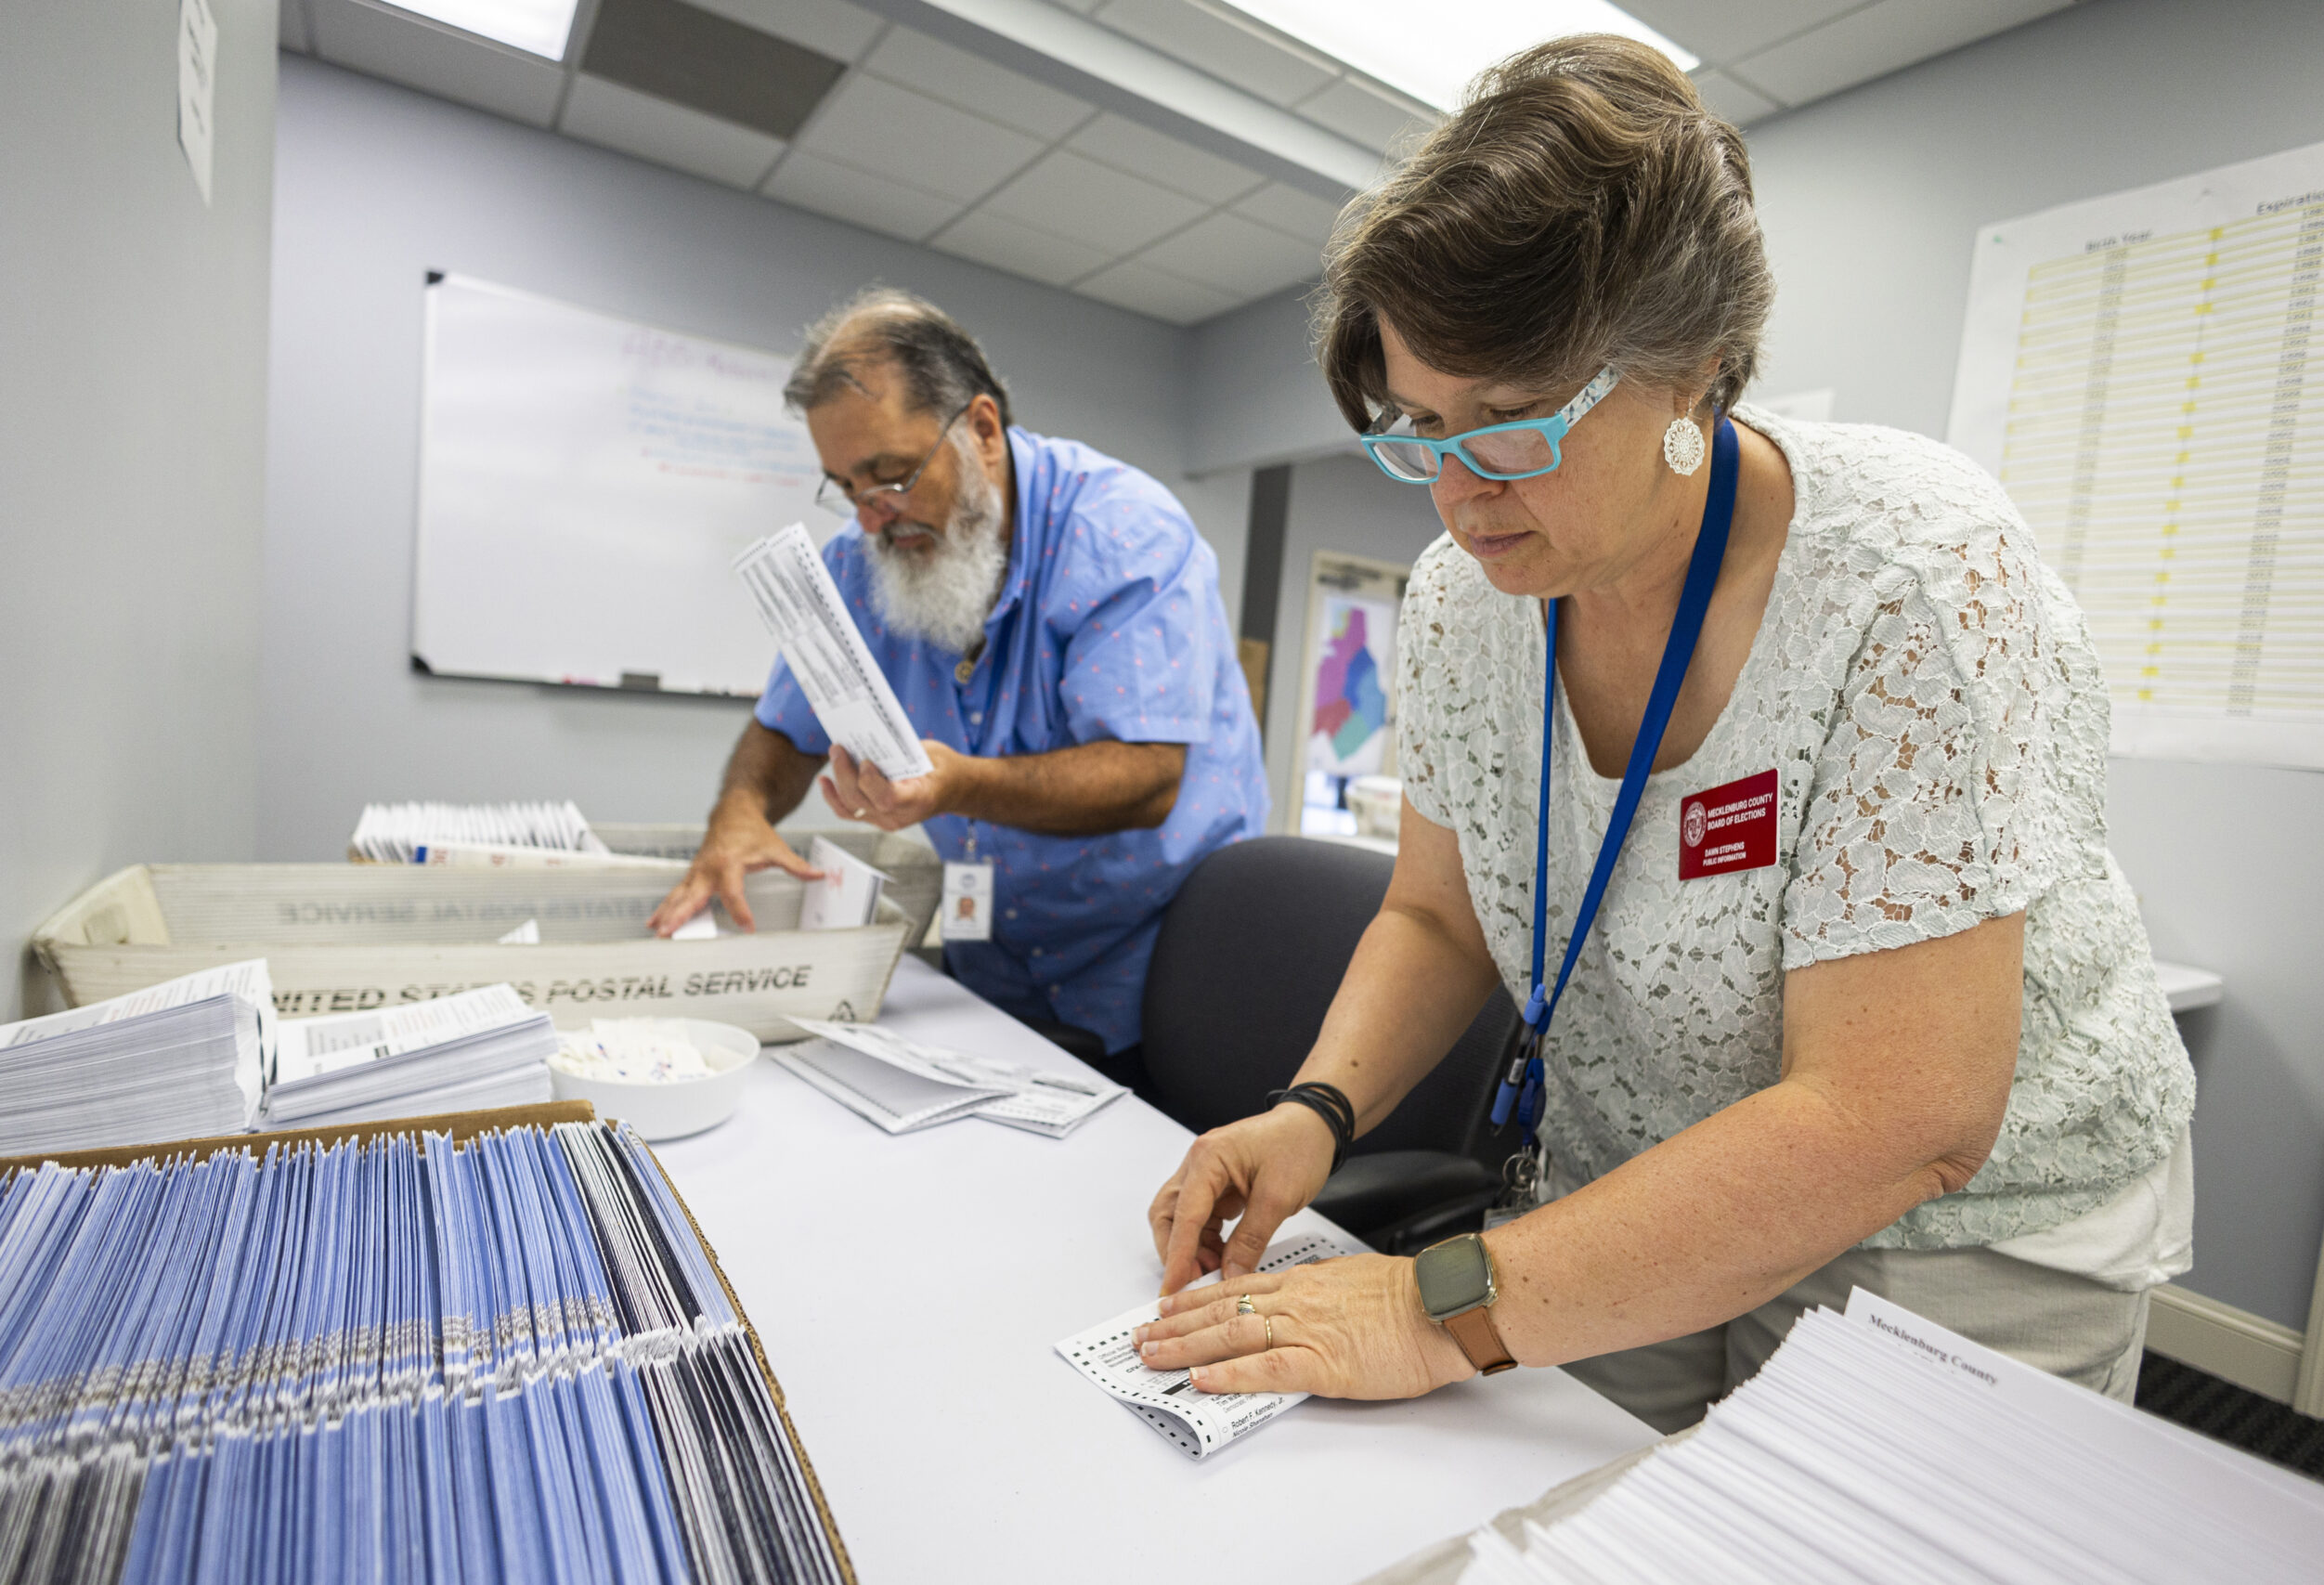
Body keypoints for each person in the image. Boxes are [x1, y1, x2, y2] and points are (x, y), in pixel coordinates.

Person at [1135, 35, 2194, 1431]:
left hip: (1958, 1229)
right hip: (1629, 1178)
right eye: (1423, 426)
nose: (1457, 494)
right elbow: (1444, 918)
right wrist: (1314, 1111)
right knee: (1537, 1510)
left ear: (1692, 372)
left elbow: (1900, 1112)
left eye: (1512, 426)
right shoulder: (1465, 603)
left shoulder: (1915, 576)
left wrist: (1420, 1304)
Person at [651, 290, 1267, 1079]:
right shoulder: (857, 561)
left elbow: (1144, 778)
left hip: (1157, 962)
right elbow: (782, 730)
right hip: (994, 963)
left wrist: (957, 785)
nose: (873, 518)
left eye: (892, 475)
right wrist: (738, 815)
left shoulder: (1123, 534)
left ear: (980, 428)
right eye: (846, 487)